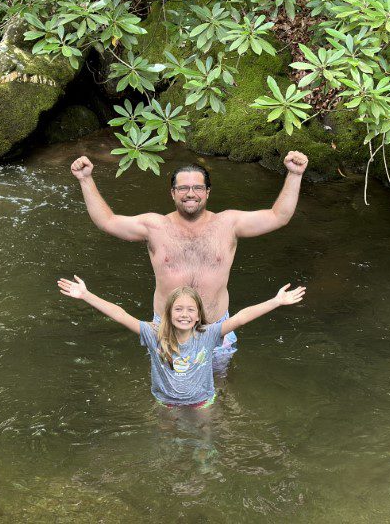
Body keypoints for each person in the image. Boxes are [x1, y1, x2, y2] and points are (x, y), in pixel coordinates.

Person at [70, 152, 309, 367]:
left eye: (197, 187)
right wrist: (85, 179)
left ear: (207, 192)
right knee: (169, 394)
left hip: (216, 329)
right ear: (173, 193)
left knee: (218, 388)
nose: (190, 194)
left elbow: (279, 216)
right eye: (183, 188)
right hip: (167, 331)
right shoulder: (154, 226)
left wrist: (295, 174)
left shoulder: (229, 223)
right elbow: (107, 221)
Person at [57, 276, 305, 407]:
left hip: (202, 401)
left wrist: (276, 301)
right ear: (168, 314)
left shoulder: (209, 335)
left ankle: (205, 462)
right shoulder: (154, 334)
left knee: (205, 439)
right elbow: (121, 315)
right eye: (178, 309)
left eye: (190, 310)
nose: (184, 314)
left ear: (198, 315)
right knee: (167, 440)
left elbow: (240, 318)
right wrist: (87, 295)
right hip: (165, 402)